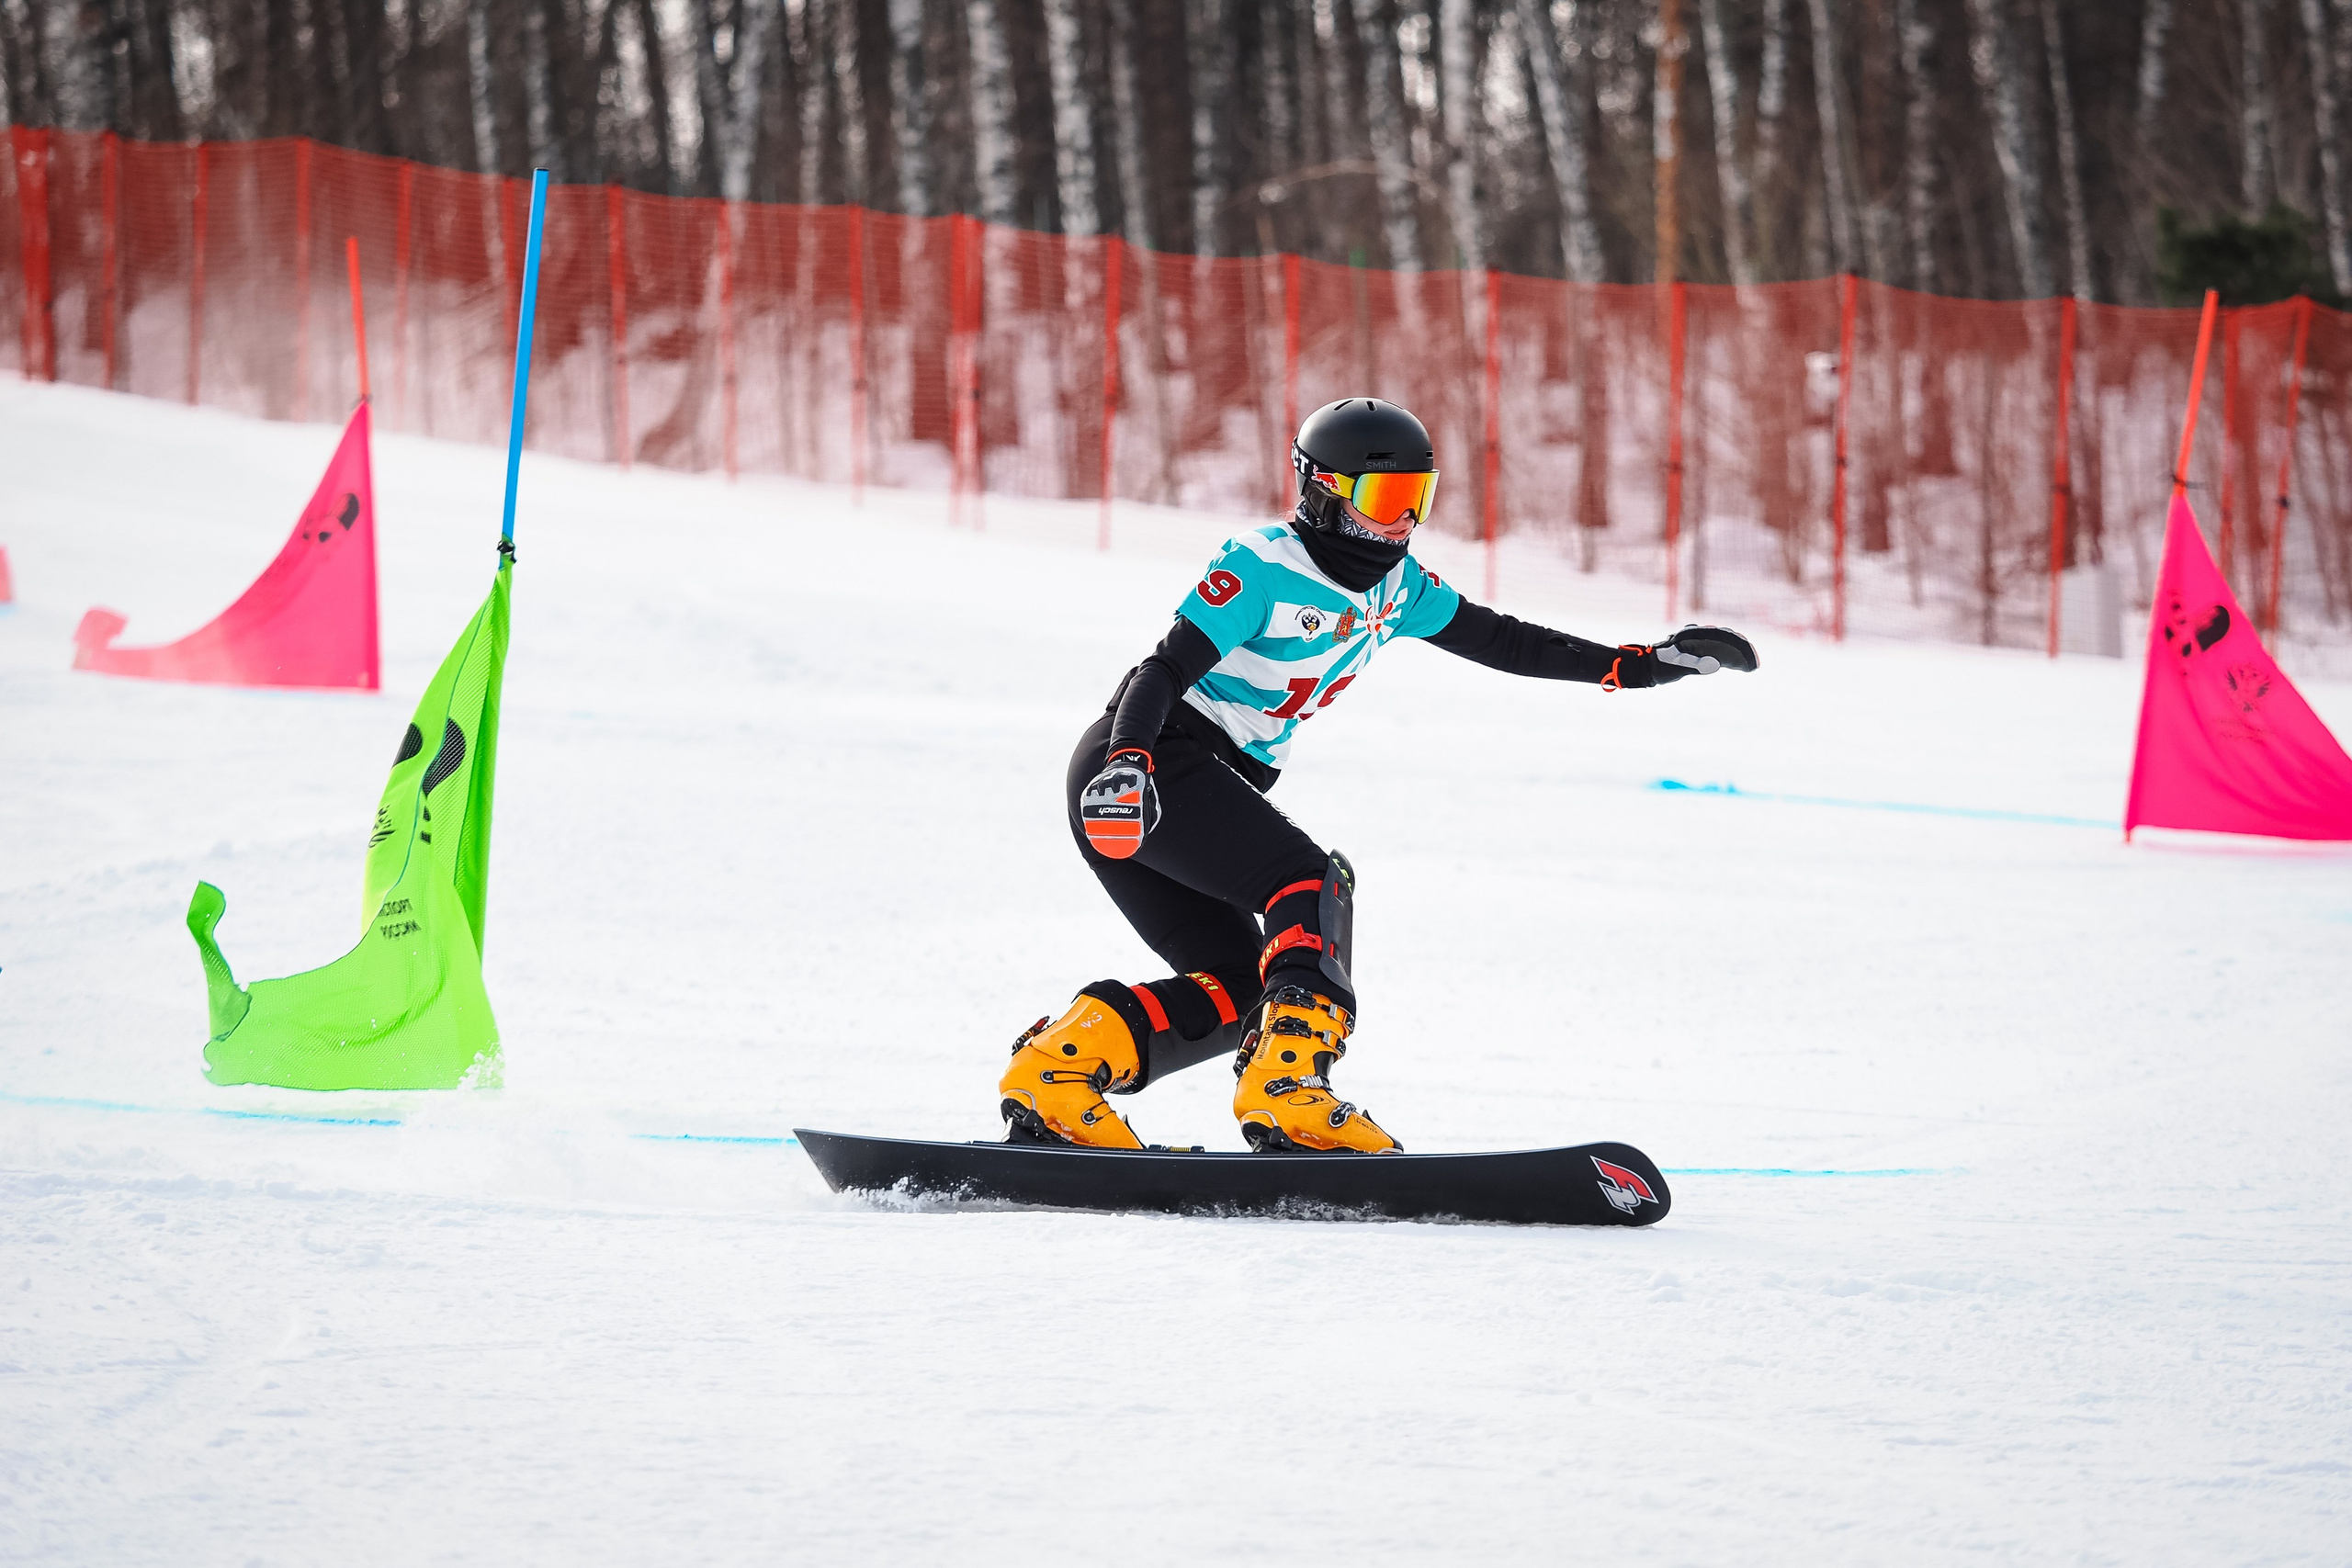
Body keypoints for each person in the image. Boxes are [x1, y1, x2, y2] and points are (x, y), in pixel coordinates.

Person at [998, 398, 1757, 1154]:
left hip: (1172, 781)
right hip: (1146, 765)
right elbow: (1161, 670)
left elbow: (1506, 641)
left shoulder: (1399, 589)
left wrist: (1637, 666)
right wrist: (1129, 763)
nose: (1404, 523)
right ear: (1325, 490)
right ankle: (1288, 1090)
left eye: (1417, 498)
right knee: (1309, 884)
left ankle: (1056, 1073)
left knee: (1242, 985)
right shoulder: (1263, 566)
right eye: (1386, 499)